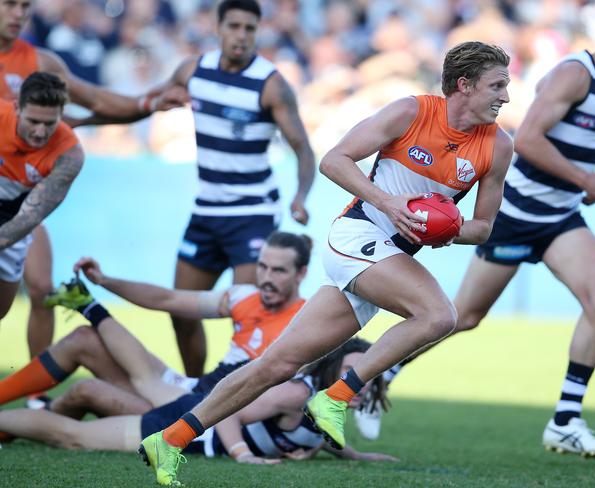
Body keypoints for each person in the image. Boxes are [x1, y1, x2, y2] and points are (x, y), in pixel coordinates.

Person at [138, 40, 514, 486]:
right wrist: (389, 204)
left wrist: (445, 228)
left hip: (389, 256)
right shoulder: (410, 112)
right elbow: (334, 160)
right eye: (498, 85)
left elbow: (483, 228)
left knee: (274, 367)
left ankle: (169, 439)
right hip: (356, 235)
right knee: (438, 315)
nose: (506, 97)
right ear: (465, 85)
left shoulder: (498, 146)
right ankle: (336, 397)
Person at [447, 10, 595, 457]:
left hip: (560, 218)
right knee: (461, 318)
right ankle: (377, 375)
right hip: (518, 213)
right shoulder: (574, 74)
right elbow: (529, 140)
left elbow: (573, 144)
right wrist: (586, 180)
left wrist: (581, 185)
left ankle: (566, 420)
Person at [129, 0, 315, 377]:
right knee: (180, 311)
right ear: (218, 28)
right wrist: (152, 103)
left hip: (252, 215)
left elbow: (304, 151)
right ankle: (197, 393)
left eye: (250, 28)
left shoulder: (272, 84)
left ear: (257, 32)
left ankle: (240, 407)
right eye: (235, 27)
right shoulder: (193, 70)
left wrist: (300, 196)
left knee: (246, 317)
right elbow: (150, 101)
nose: (242, 36)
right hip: (206, 212)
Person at [0, 0, 186, 362]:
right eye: (10, 4)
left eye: (25, 6)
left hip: (22, 199)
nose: (19, 13)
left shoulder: (42, 66)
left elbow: (94, 103)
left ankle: (36, 392)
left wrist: (147, 102)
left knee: (38, 287)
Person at [0, 231, 313, 416]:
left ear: (301, 274)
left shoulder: (307, 321)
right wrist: (106, 280)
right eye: (262, 267)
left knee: (87, 390)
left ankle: (25, 421)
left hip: (204, 413)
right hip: (183, 389)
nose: (266, 279)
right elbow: (166, 300)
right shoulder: (244, 296)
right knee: (83, 339)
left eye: (279, 271)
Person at [0, 337, 396, 465]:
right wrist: (244, 455)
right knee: (74, 437)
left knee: (86, 411)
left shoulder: (327, 405)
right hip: (186, 428)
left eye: (364, 375)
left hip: (192, 428)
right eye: (349, 372)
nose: (357, 382)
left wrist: (356, 457)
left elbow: (318, 434)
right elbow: (233, 409)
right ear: (330, 372)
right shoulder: (297, 394)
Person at [0, 72, 84, 342]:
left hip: (13, 223)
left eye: (50, 123)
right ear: (17, 107)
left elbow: (31, 216)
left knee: (7, 307)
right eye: (33, 121)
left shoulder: (69, 154)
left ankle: (37, 384)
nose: (40, 131)